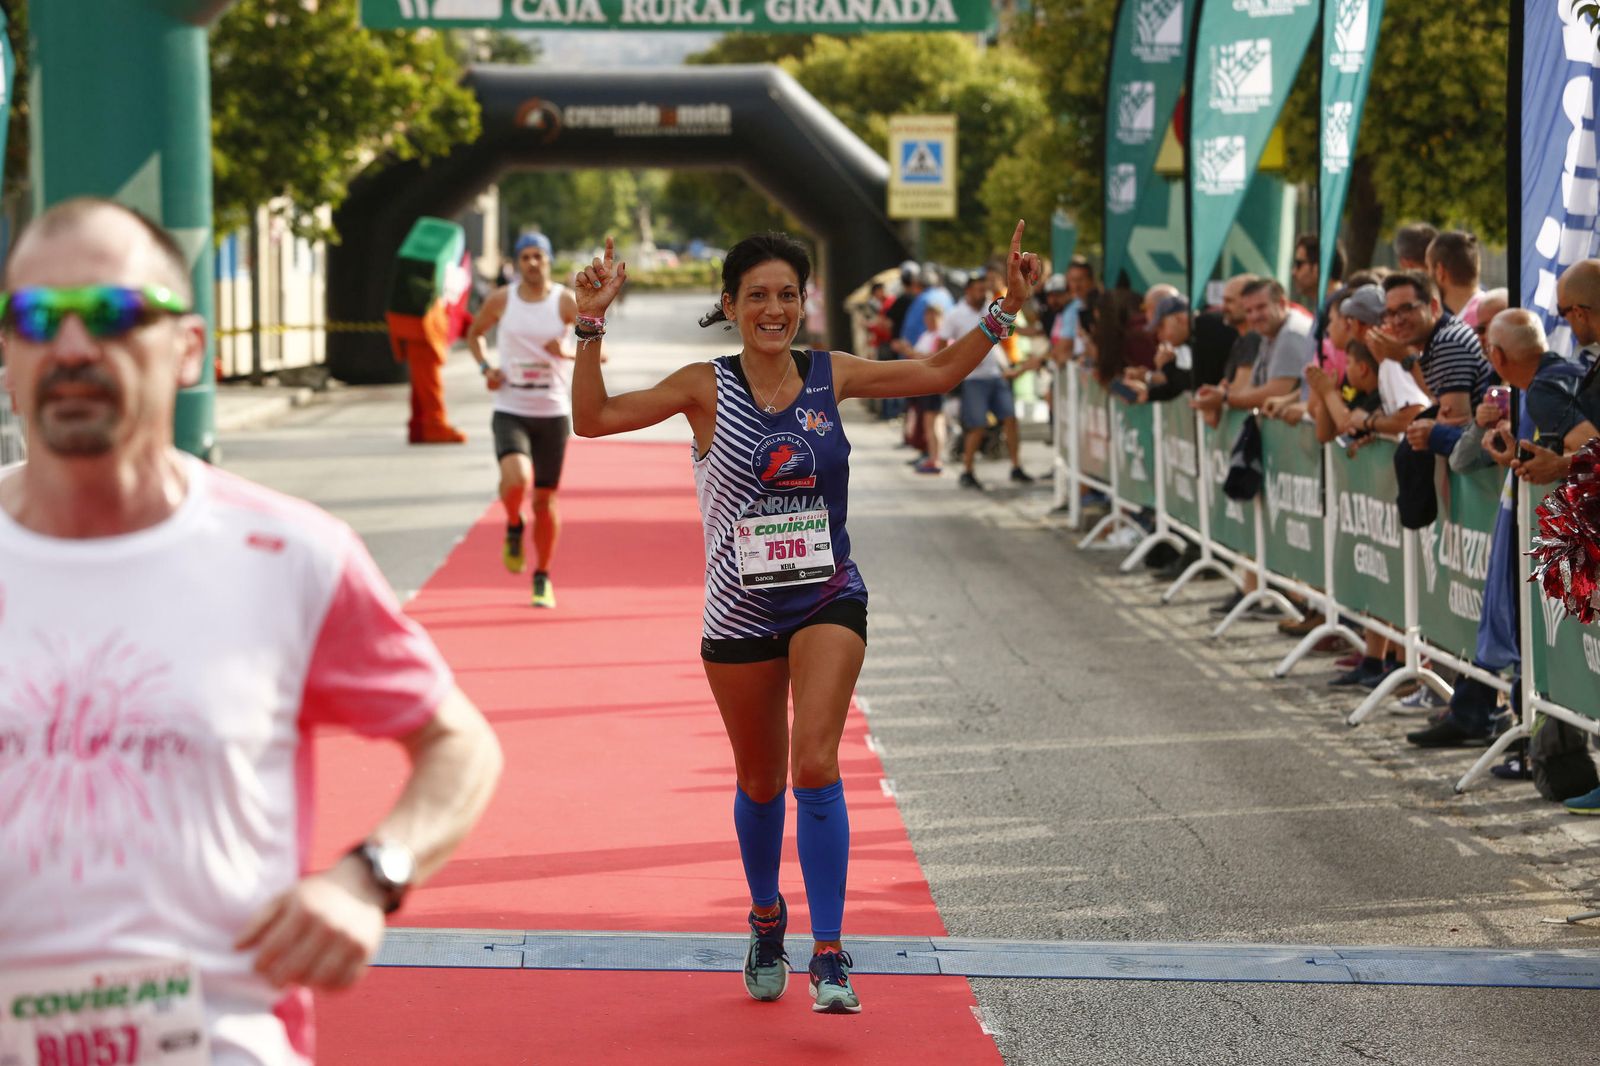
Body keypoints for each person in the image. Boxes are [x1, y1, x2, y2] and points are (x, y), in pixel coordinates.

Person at [0, 197, 503, 1064]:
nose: (72, 347)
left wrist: (369, 876)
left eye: (114, 313)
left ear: (189, 347)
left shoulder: (288, 553)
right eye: (38, 317)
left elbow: (460, 745)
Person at [569, 223, 1043, 1015]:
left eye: (787, 294)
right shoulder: (704, 387)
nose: (774, 309)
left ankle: (828, 951)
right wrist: (590, 324)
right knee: (760, 781)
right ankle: (766, 918)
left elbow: (935, 370)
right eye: (757, 295)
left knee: (815, 762)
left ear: (804, 302)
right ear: (730, 305)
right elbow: (592, 419)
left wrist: (1007, 308)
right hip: (739, 609)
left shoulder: (832, 374)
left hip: (828, 597)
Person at [465, 232, 578, 608]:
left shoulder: (564, 301)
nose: (532, 263)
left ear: (548, 260)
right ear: (517, 262)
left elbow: (600, 348)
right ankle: (514, 522)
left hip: (552, 412)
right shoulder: (503, 299)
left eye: (538, 256)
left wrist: (566, 352)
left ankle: (542, 575)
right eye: (525, 257)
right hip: (510, 407)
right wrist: (486, 368)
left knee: (544, 501)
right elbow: (475, 334)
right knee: (516, 480)